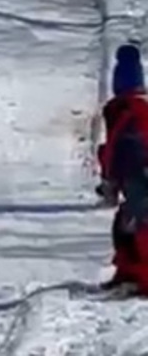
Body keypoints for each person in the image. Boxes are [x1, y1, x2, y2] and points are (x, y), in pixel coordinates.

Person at [97, 42, 148, 295]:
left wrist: (109, 180)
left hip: (138, 174)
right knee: (125, 222)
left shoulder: (121, 110)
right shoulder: (137, 107)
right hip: (135, 173)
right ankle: (129, 272)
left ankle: (142, 277)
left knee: (139, 222)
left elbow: (115, 145)